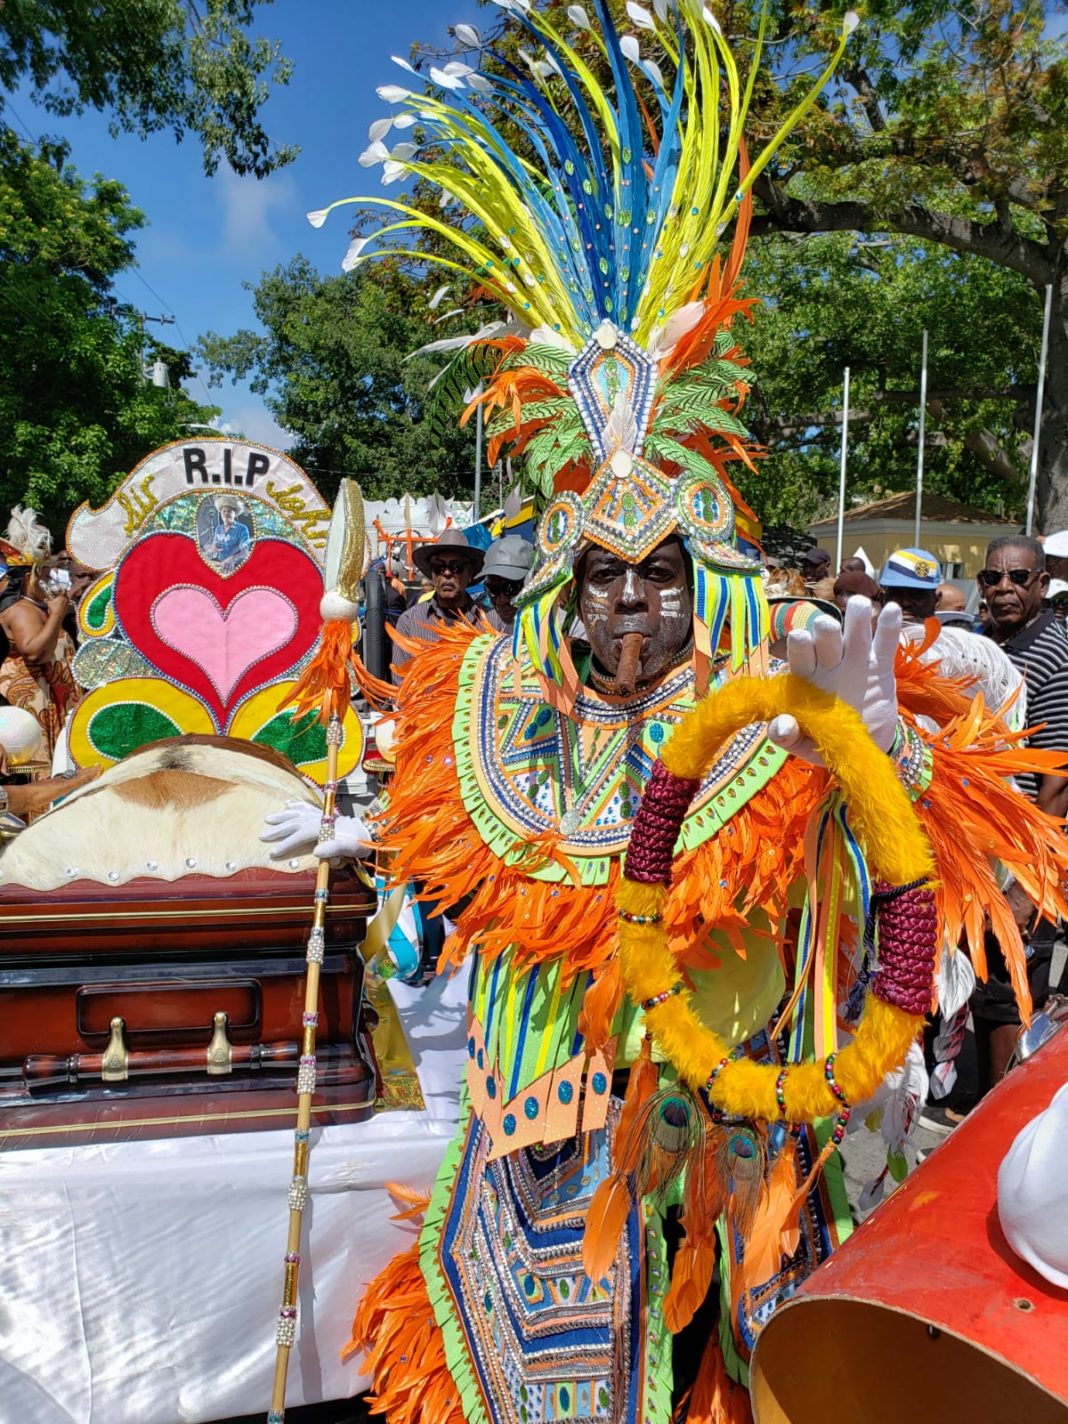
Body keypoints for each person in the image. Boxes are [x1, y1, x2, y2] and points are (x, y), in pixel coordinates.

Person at [300, 7, 1068, 1419]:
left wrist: (874, 741)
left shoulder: (773, 704)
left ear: (703, 574)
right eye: (603, 578)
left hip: (728, 1148)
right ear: (560, 587)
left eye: (661, 577)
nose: (631, 609)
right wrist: (374, 886)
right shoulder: (486, 705)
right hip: (538, 1146)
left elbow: (920, 861)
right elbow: (433, 916)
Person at [972, 533, 1068, 1095]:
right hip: (980, 844)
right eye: (993, 578)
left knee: (1010, 990)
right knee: (982, 988)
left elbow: (1057, 778)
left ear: (1043, 585)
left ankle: (1000, 1125)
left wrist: (1029, 883)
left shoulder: (1054, 652)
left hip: (1024, 852)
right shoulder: (987, 641)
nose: (1003, 588)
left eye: (1018, 578)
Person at [0, 508, 82, 770]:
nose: (49, 577)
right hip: (31, 706)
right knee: (38, 773)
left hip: (49, 701)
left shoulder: (36, 605)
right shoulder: (21, 610)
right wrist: (57, 615)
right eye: (44, 572)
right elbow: (35, 653)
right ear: (29, 574)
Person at [391, 528, 483, 683]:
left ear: (469, 573)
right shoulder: (409, 622)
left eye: (455, 567)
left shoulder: (491, 621)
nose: (446, 573)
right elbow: (401, 685)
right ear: (432, 574)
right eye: (439, 567)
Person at [480, 534, 533, 631]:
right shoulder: (491, 631)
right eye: (493, 590)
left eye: (510, 588)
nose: (501, 600)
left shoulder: (559, 627)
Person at [879, 547, 942, 624]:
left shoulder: (950, 636)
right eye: (897, 594)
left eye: (917, 595)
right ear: (882, 599)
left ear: (936, 601)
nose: (906, 603)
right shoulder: (865, 635)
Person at [208, 494, 251, 573]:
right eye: (223, 511)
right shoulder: (218, 528)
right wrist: (214, 547)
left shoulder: (242, 529)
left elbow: (245, 551)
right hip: (220, 563)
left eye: (229, 511)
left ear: (235, 514)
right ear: (221, 514)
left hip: (236, 567)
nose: (226, 513)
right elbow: (214, 544)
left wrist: (232, 559)